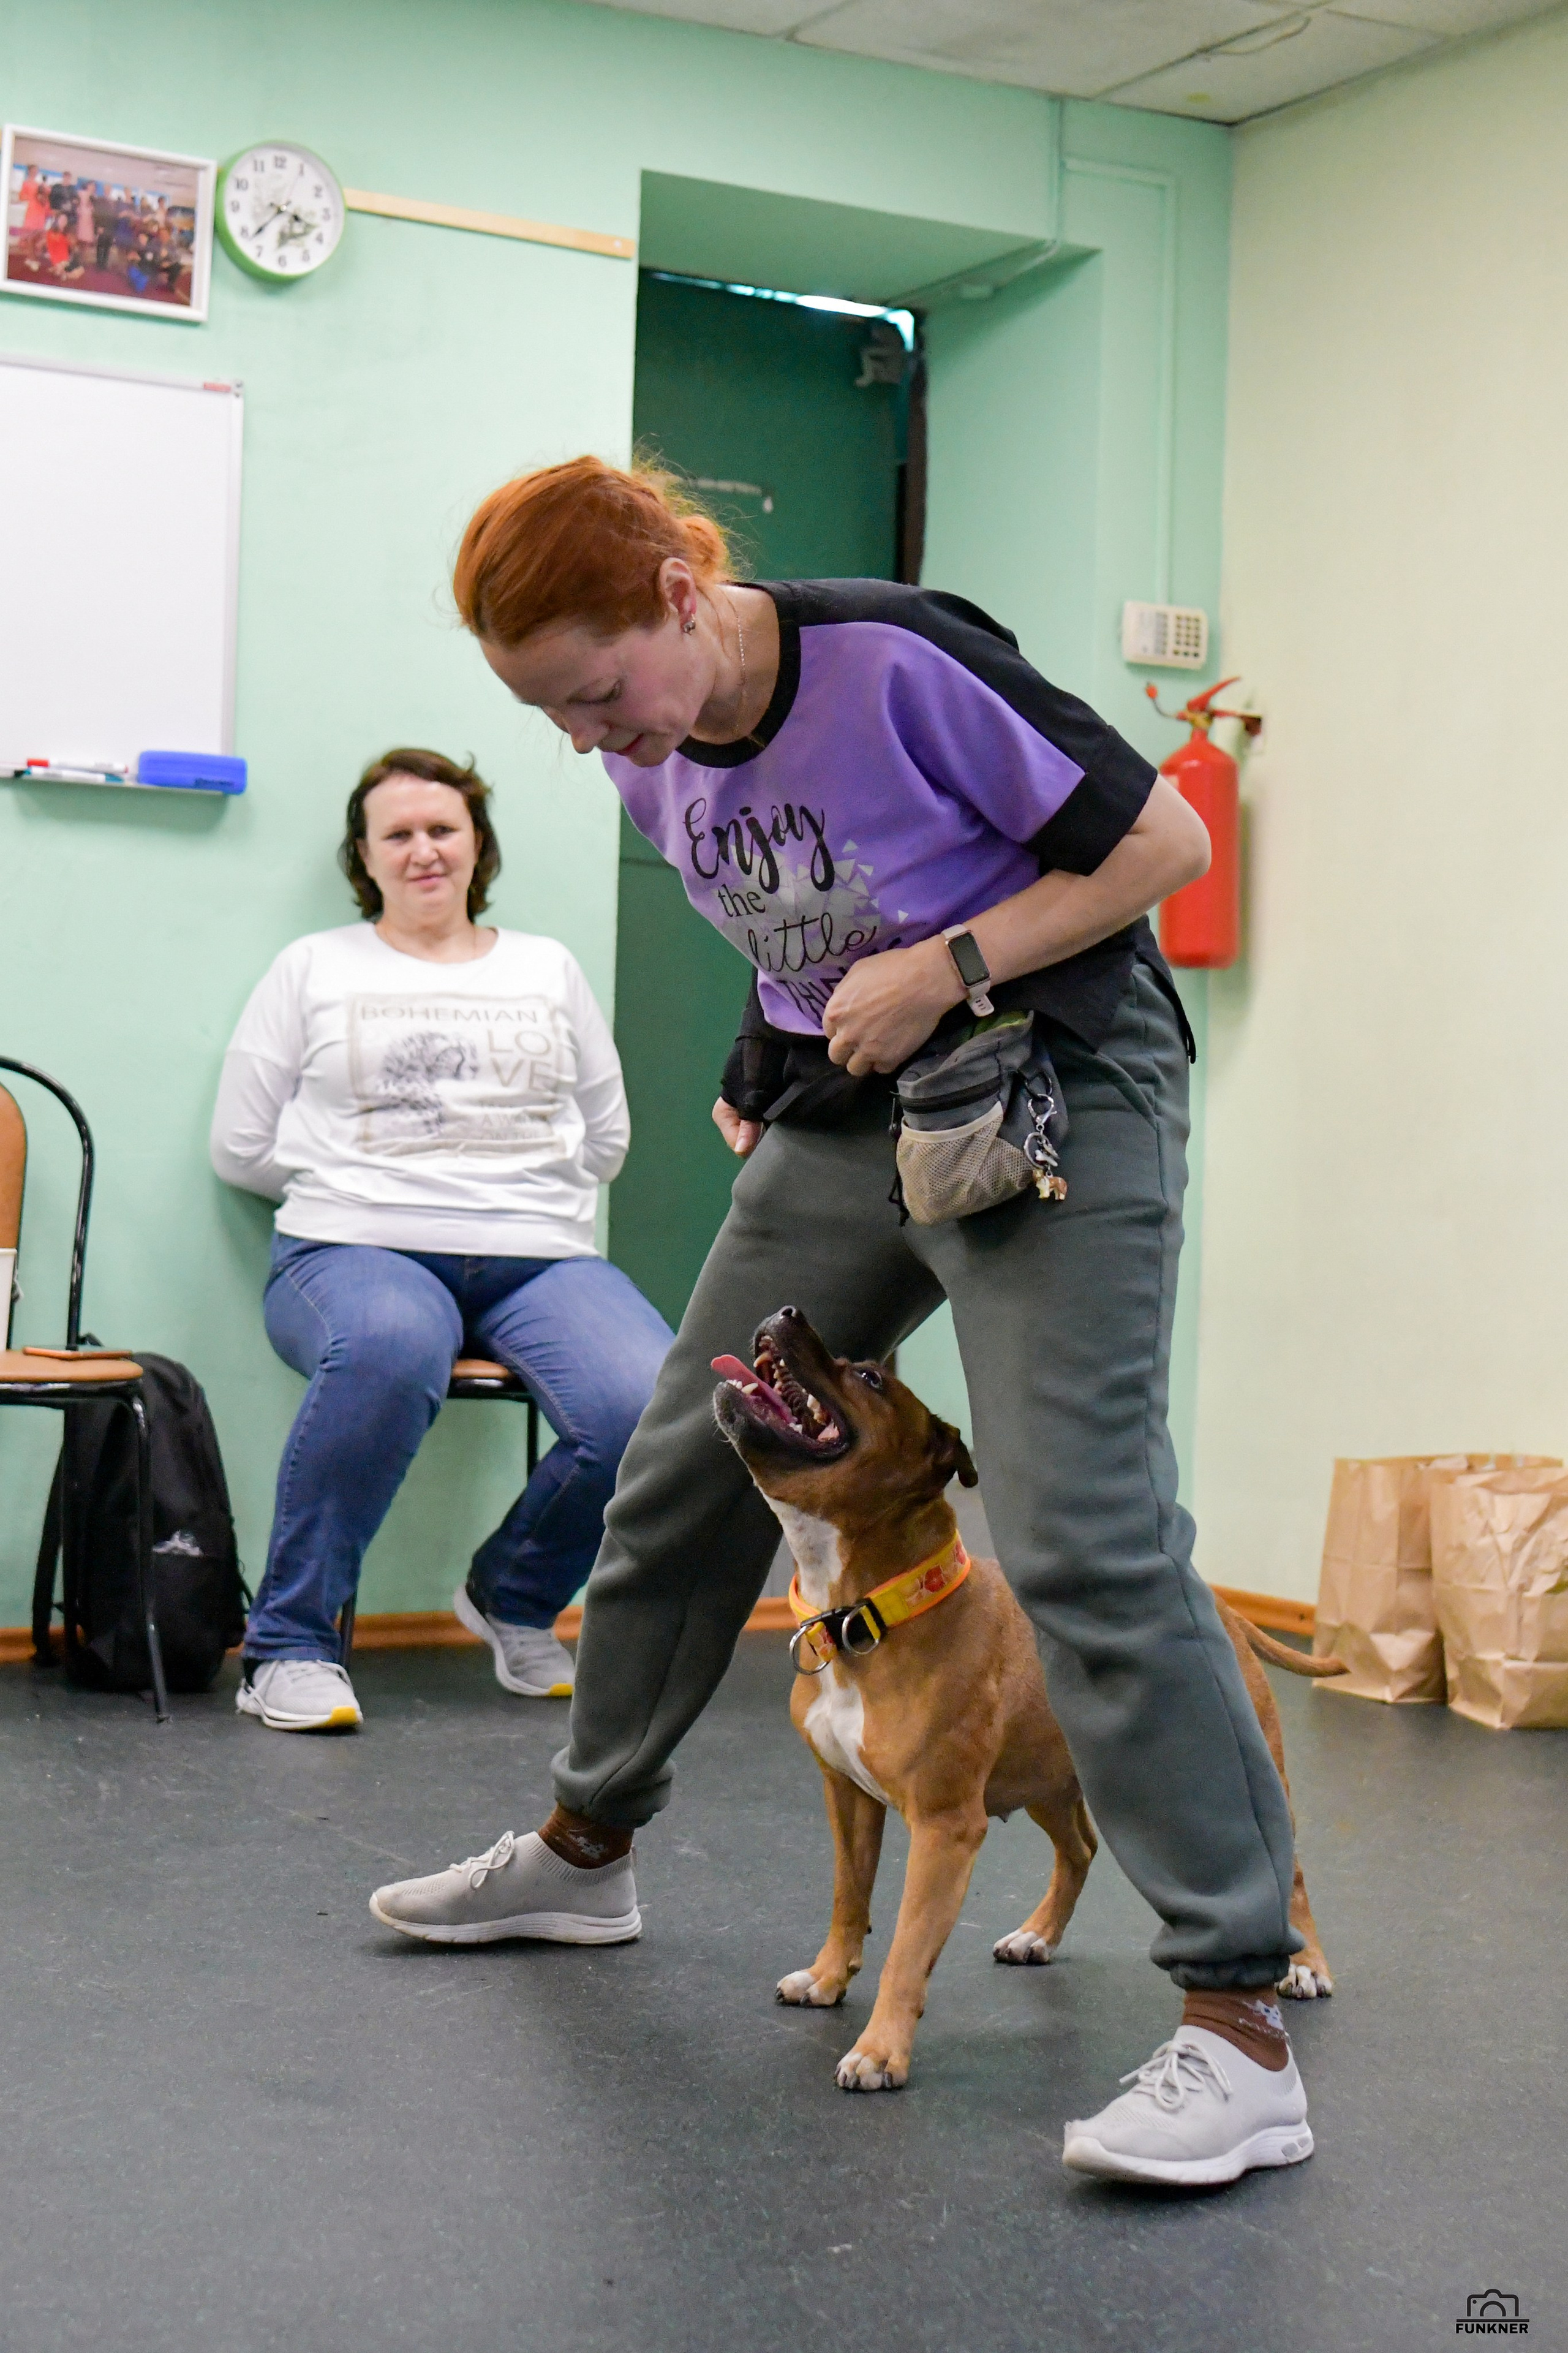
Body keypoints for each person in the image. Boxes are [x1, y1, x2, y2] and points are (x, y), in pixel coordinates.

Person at [368, 461, 1313, 2192]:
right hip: (856, 1098)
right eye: (551, 714)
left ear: (678, 593)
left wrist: (949, 966)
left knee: (1084, 1528)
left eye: (597, 692)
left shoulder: (891, 661)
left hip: (1054, 1073)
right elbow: (801, 930)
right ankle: (586, 1846)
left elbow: (1161, 849)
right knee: (686, 1459)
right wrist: (767, 1058)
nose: (591, 741)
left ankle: (1239, 2016)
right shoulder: (654, 753)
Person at [209, 746, 673, 1735]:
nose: (423, 849)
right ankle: (288, 1646)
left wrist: (505, 1190)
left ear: (477, 845)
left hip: (538, 1255)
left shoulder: (547, 967)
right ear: (365, 856)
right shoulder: (314, 966)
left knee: (649, 1399)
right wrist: (361, 1189)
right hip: (352, 1249)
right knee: (388, 1345)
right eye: (398, 834)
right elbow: (239, 1145)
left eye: (442, 829)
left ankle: (512, 1594)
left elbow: (607, 1138)